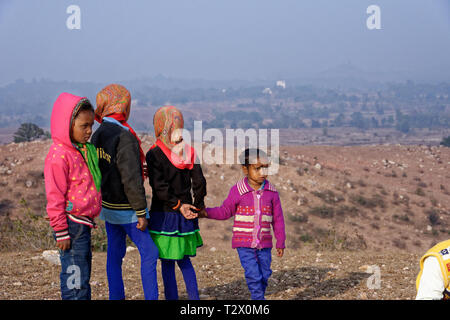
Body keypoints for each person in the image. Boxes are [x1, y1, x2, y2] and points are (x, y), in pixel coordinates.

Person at [91, 84, 159, 300]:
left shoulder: (98, 133)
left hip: (108, 207)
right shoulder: (124, 136)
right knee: (150, 253)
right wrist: (140, 211)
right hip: (127, 209)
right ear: (124, 105)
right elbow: (131, 178)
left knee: (114, 255)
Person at [199, 148, 285, 300]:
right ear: (245, 169)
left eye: (265, 167)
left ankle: (258, 295)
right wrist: (206, 213)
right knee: (253, 274)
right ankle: (258, 298)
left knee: (265, 274)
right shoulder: (238, 191)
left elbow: (278, 219)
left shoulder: (272, 193)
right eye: (257, 168)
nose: (262, 172)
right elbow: (225, 211)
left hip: (265, 244)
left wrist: (281, 241)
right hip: (244, 244)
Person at [44, 93, 102, 300]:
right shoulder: (59, 155)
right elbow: (55, 196)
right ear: (67, 124)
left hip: (81, 224)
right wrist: (60, 231)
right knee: (75, 277)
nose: (89, 131)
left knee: (82, 275)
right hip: (71, 225)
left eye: (91, 126)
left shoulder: (79, 151)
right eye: (84, 126)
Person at [146, 105, 206, 300]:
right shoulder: (189, 152)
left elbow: (159, 187)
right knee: (185, 261)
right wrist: (196, 206)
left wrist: (177, 205)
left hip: (164, 215)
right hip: (185, 215)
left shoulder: (154, 153)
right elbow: (199, 182)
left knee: (167, 262)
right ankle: (194, 300)